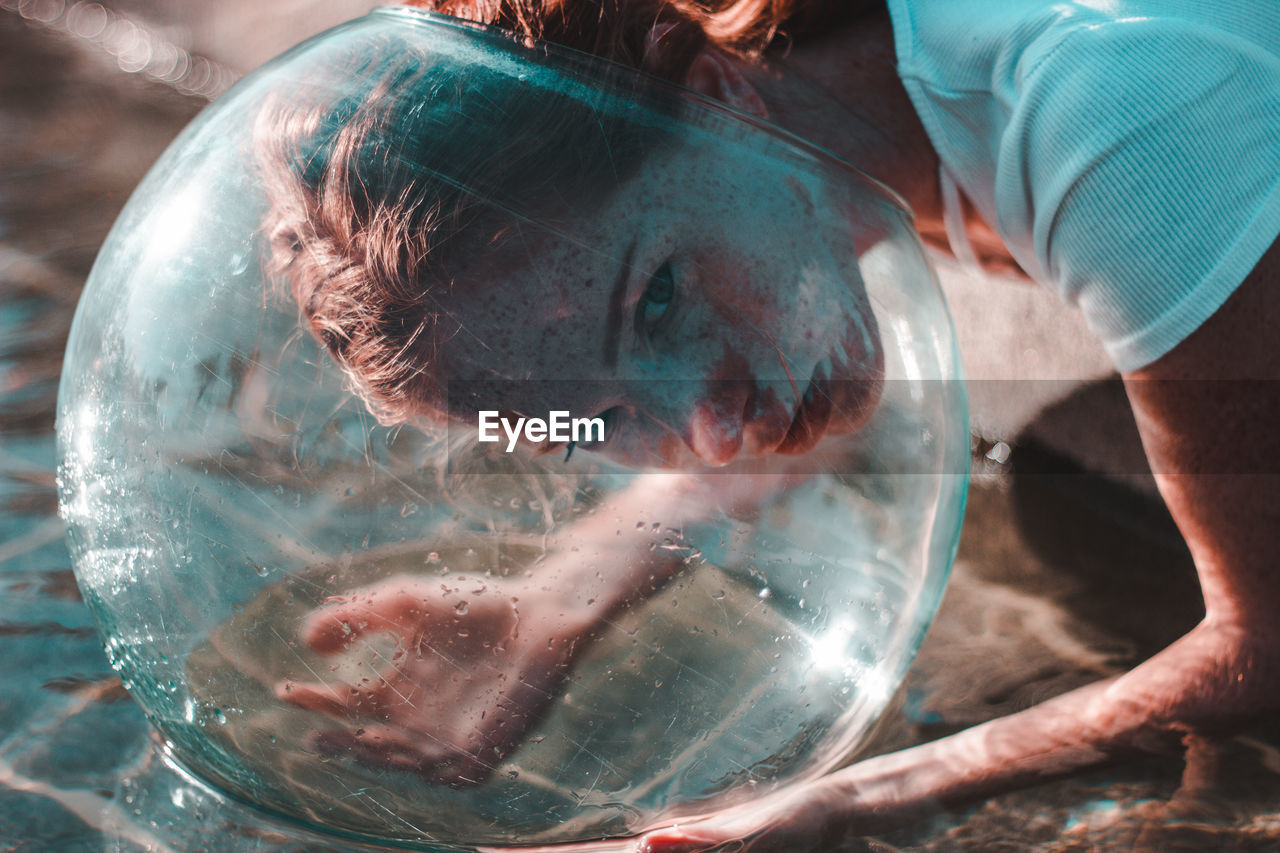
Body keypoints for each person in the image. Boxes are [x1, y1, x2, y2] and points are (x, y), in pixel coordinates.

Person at [258, 0, 1280, 850]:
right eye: (598, 415)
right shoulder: (818, 110)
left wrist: (848, 801)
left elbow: (1260, 648)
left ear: (717, 98)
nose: (706, 429)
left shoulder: (1109, 123)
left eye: (657, 298)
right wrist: (566, 585)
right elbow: (790, 388)